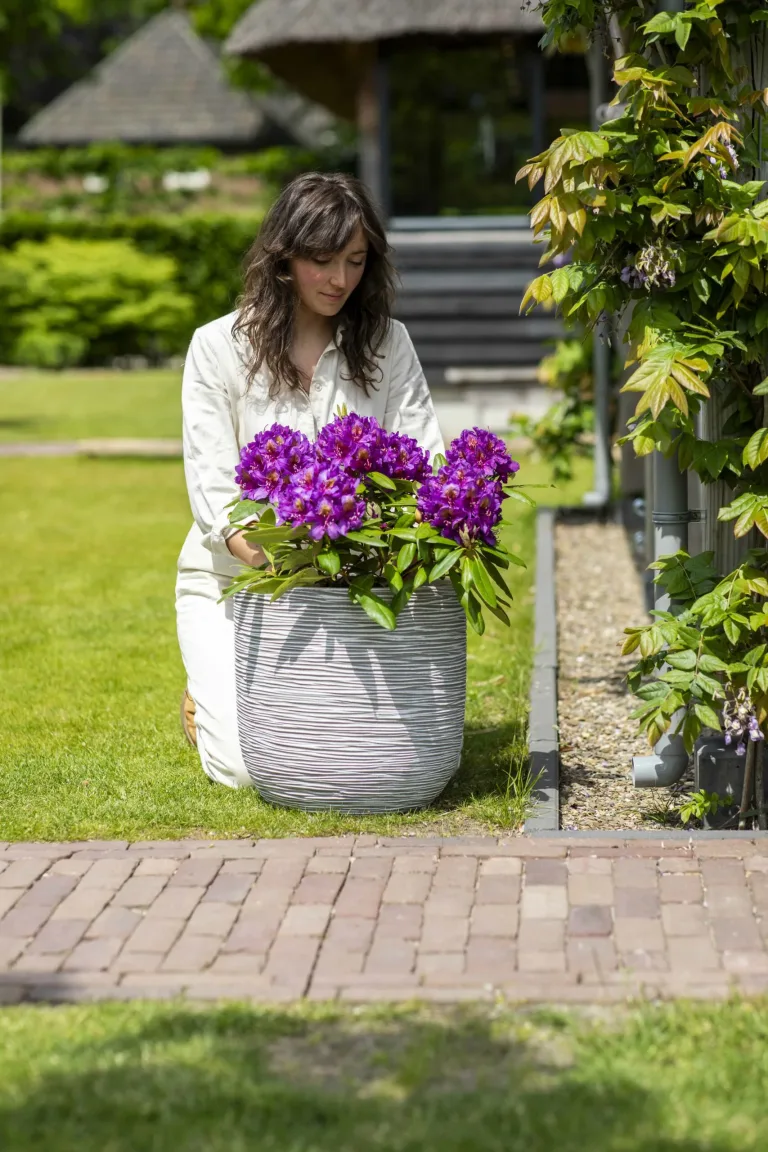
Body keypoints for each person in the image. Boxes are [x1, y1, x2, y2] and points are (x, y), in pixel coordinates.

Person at [176, 172, 445, 788]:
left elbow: (426, 462)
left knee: (377, 758)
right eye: (322, 261)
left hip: (360, 578)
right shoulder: (217, 347)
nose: (340, 280)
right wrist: (290, 570)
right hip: (240, 580)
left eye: (355, 261)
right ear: (284, 257)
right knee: (249, 771)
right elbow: (216, 494)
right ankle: (204, 701)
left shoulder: (387, 342)